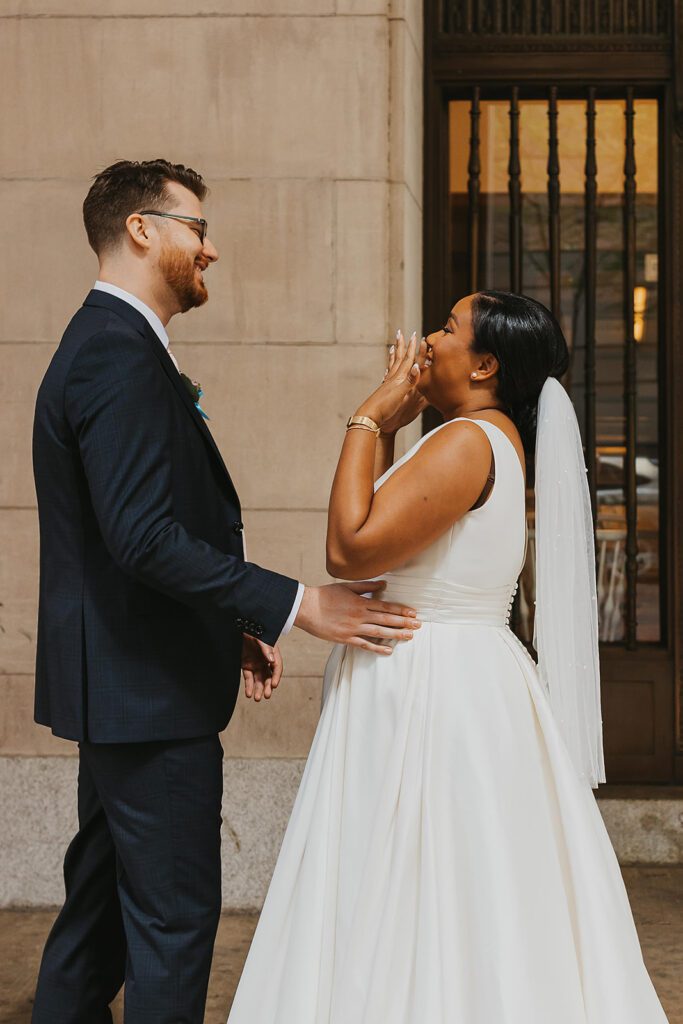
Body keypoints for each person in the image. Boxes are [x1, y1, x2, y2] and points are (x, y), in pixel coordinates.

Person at [30, 158, 421, 1024]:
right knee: (171, 924)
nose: (211, 250)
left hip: (132, 685)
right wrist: (295, 602)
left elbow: (131, 535)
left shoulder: (113, 346)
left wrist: (228, 621)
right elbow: (141, 537)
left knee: (97, 921)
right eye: (197, 229)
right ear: (143, 229)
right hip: (147, 695)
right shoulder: (116, 355)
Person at [227, 291, 669, 1022]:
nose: (427, 339)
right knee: (435, 882)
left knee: (418, 877)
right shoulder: (469, 436)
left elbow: (346, 549)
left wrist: (367, 417)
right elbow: (393, 532)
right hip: (450, 677)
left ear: (486, 363)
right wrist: (398, 430)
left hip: (433, 690)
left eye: (447, 327)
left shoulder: (470, 440)